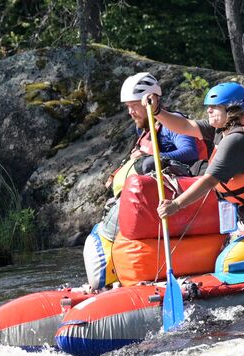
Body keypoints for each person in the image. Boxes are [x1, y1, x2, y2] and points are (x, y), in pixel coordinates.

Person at [148, 82, 244, 281]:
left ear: (231, 110)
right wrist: (157, 111)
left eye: (214, 108)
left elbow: (208, 181)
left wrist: (177, 205)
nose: (208, 111)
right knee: (224, 260)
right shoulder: (220, 130)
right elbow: (184, 126)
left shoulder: (238, 140)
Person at [83, 72, 206, 290]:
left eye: (134, 106)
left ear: (151, 100)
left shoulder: (171, 123)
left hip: (175, 195)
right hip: (140, 205)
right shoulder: (144, 130)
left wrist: (154, 158)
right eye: (127, 106)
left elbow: (190, 151)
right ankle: (113, 279)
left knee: (147, 165)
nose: (130, 112)